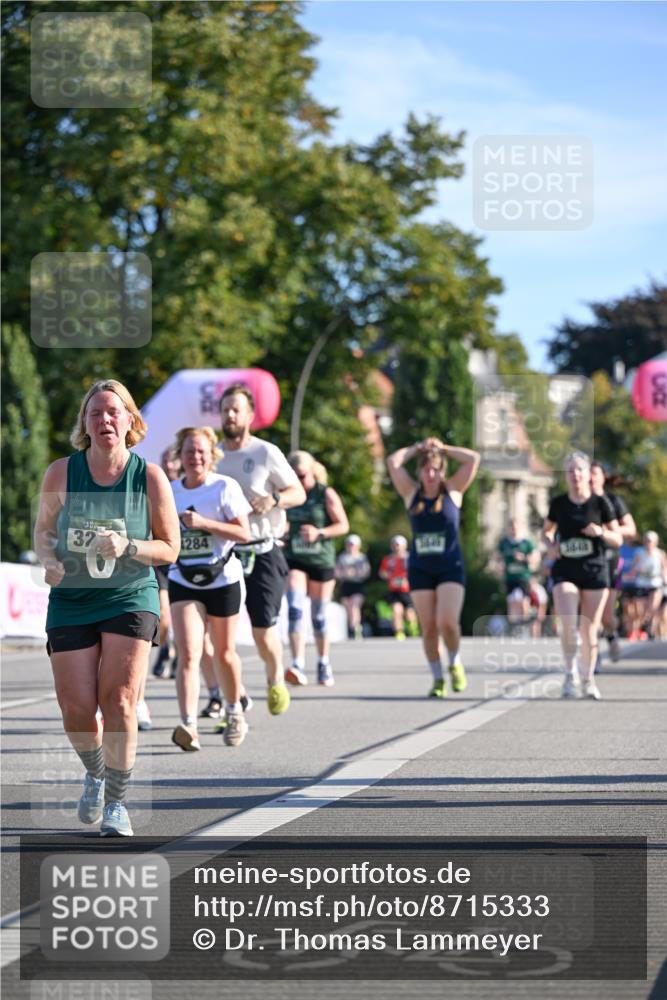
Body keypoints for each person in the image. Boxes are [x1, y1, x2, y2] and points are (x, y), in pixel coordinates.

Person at [34, 379, 180, 837]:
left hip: (130, 595)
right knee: (77, 710)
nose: (104, 421)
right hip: (73, 599)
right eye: (95, 414)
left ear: (131, 420)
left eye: (113, 412)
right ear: (85, 424)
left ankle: (117, 802)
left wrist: (129, 544)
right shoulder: (62, 472)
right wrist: (49, 560)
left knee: (118, 701)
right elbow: (43, 532)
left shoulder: (149, 476)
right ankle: (96, 772)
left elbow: (170, 548)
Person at [218, 384, 305, 714]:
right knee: (217, 635)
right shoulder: (212, 455)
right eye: (225, 408)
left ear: (250, 416)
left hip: (262, 552)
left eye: (236, 409)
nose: (230, 414)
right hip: (223, 552)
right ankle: (235, 695)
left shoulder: (265, 453)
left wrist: (274, 499)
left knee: (262, 633)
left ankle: (274, 678)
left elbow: (298, 492)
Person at [168, 426, 252, 750]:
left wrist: (203, 524)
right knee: (189, 652)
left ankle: (234, 712)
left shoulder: (223, 487)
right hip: (183, 578)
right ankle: (188, 724)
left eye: (201, 451)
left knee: (224, 653)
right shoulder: (171, 490)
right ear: (181, 455)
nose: (195, 457)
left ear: (212, 455)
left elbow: (243, 534)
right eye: (189, 451)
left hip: (223, 579)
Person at [387, 436, 480, 698]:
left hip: (450, 567)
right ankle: (438, 678)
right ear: (419, 471)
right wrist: (417, 448)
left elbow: (474, 459)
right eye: (426, 469)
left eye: (436, 469)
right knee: (428, 627)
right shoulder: (411, 494)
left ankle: (455, 662)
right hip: (420, 569)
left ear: (442, 471)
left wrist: (445, 449)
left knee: (447, 622)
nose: (430, 474)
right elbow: (393, 462)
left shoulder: (453, 492)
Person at [542, 452, 622, 700]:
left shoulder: (600, 503)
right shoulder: (558, 504)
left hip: (595, 570)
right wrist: (549, 544)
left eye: (579, 470)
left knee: (590, 629)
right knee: (568, 623)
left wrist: (600, 532)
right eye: (570, 471)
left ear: (588, 474)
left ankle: (588, 679)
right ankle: (569, 675)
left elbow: (617, 537)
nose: (575, 475)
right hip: (565, 570)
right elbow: (547, 532)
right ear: (566, 476)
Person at [283, 450, 349, 687]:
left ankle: (323, 662)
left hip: (321, 560)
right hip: (296, 559)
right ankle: (297, 663)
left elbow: (343, 525)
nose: (298, 482)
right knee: (295, 609)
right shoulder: (288, 495)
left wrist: (319, 532)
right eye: (294, 477)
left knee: (319, 616)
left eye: (302, 476)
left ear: (312, 472)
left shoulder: (325, 494)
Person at [590, 462, 637, 662]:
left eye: (595, 473)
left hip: (609, 559)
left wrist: (607, 529)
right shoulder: (577, 502)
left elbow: (631, 530)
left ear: (603, 477)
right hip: (585, 562)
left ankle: (611, 635)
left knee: (607, 615)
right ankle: (593, 657)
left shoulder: (612, 500)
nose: (591, 477)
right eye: (588, 473)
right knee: (590, 613)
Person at [625, 531, 666, 640]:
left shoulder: (660, 553)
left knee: (652, 607)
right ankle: (643, 626)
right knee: (640, 610)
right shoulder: (639, 552)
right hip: (641, 583)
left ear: (655, 542)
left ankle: (650, 629)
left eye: (650, 541)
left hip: (655, 583)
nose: (648, 543)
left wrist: (665, 579)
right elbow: (634, 567)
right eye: (646, 540)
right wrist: (631, 574)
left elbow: (664, 568)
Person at [498, 518, 536, 628]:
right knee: (511, 603)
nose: (514, 530)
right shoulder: (505, 542)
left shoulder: (526, 542)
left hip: (523, 577)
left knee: (524, 602)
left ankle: (525, 626)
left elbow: (535, 559)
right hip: (510, 577)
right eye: (512, 527)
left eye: (516, 527)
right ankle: (513, 627)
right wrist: (500, 566)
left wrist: (523, 558)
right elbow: (498, 557)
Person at [378, 535, 418, 640]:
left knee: (409, 613)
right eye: (395, 545)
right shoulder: (388, 559)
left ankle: (413, 628)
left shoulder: (410, 558)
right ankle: (399, 632)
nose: (397, 547)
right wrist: (387, 575)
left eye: (399, 545)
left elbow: (417, 572)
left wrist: (408, 580)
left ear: (404, 546)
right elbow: (382, 572)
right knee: (396, 611)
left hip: (408, 591)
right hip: (394, 590)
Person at [335, 535, 371, 639]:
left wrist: (355, 573)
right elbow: (336, 573)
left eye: (353, 544)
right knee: (347, 608)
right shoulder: (342, 557)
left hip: (357, 585)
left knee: (354, 607)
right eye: (349, 544)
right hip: (345, 585)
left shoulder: (362, 558)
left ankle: (356, 629)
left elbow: (366, 573)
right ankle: (350, 628)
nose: (351, 546)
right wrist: (345, 574)